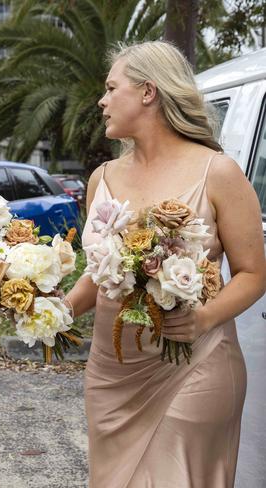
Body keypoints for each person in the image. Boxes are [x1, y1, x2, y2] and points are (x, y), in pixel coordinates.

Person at [66, 41, 266, 487]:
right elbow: (96, 274)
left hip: (195, 363)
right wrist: (52, 311)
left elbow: (254, 273)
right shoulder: (102, 178)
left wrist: (204, 317)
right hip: (111, 372)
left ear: (147, 92)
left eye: (111, 87)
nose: (101, 100)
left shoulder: (218, 172)